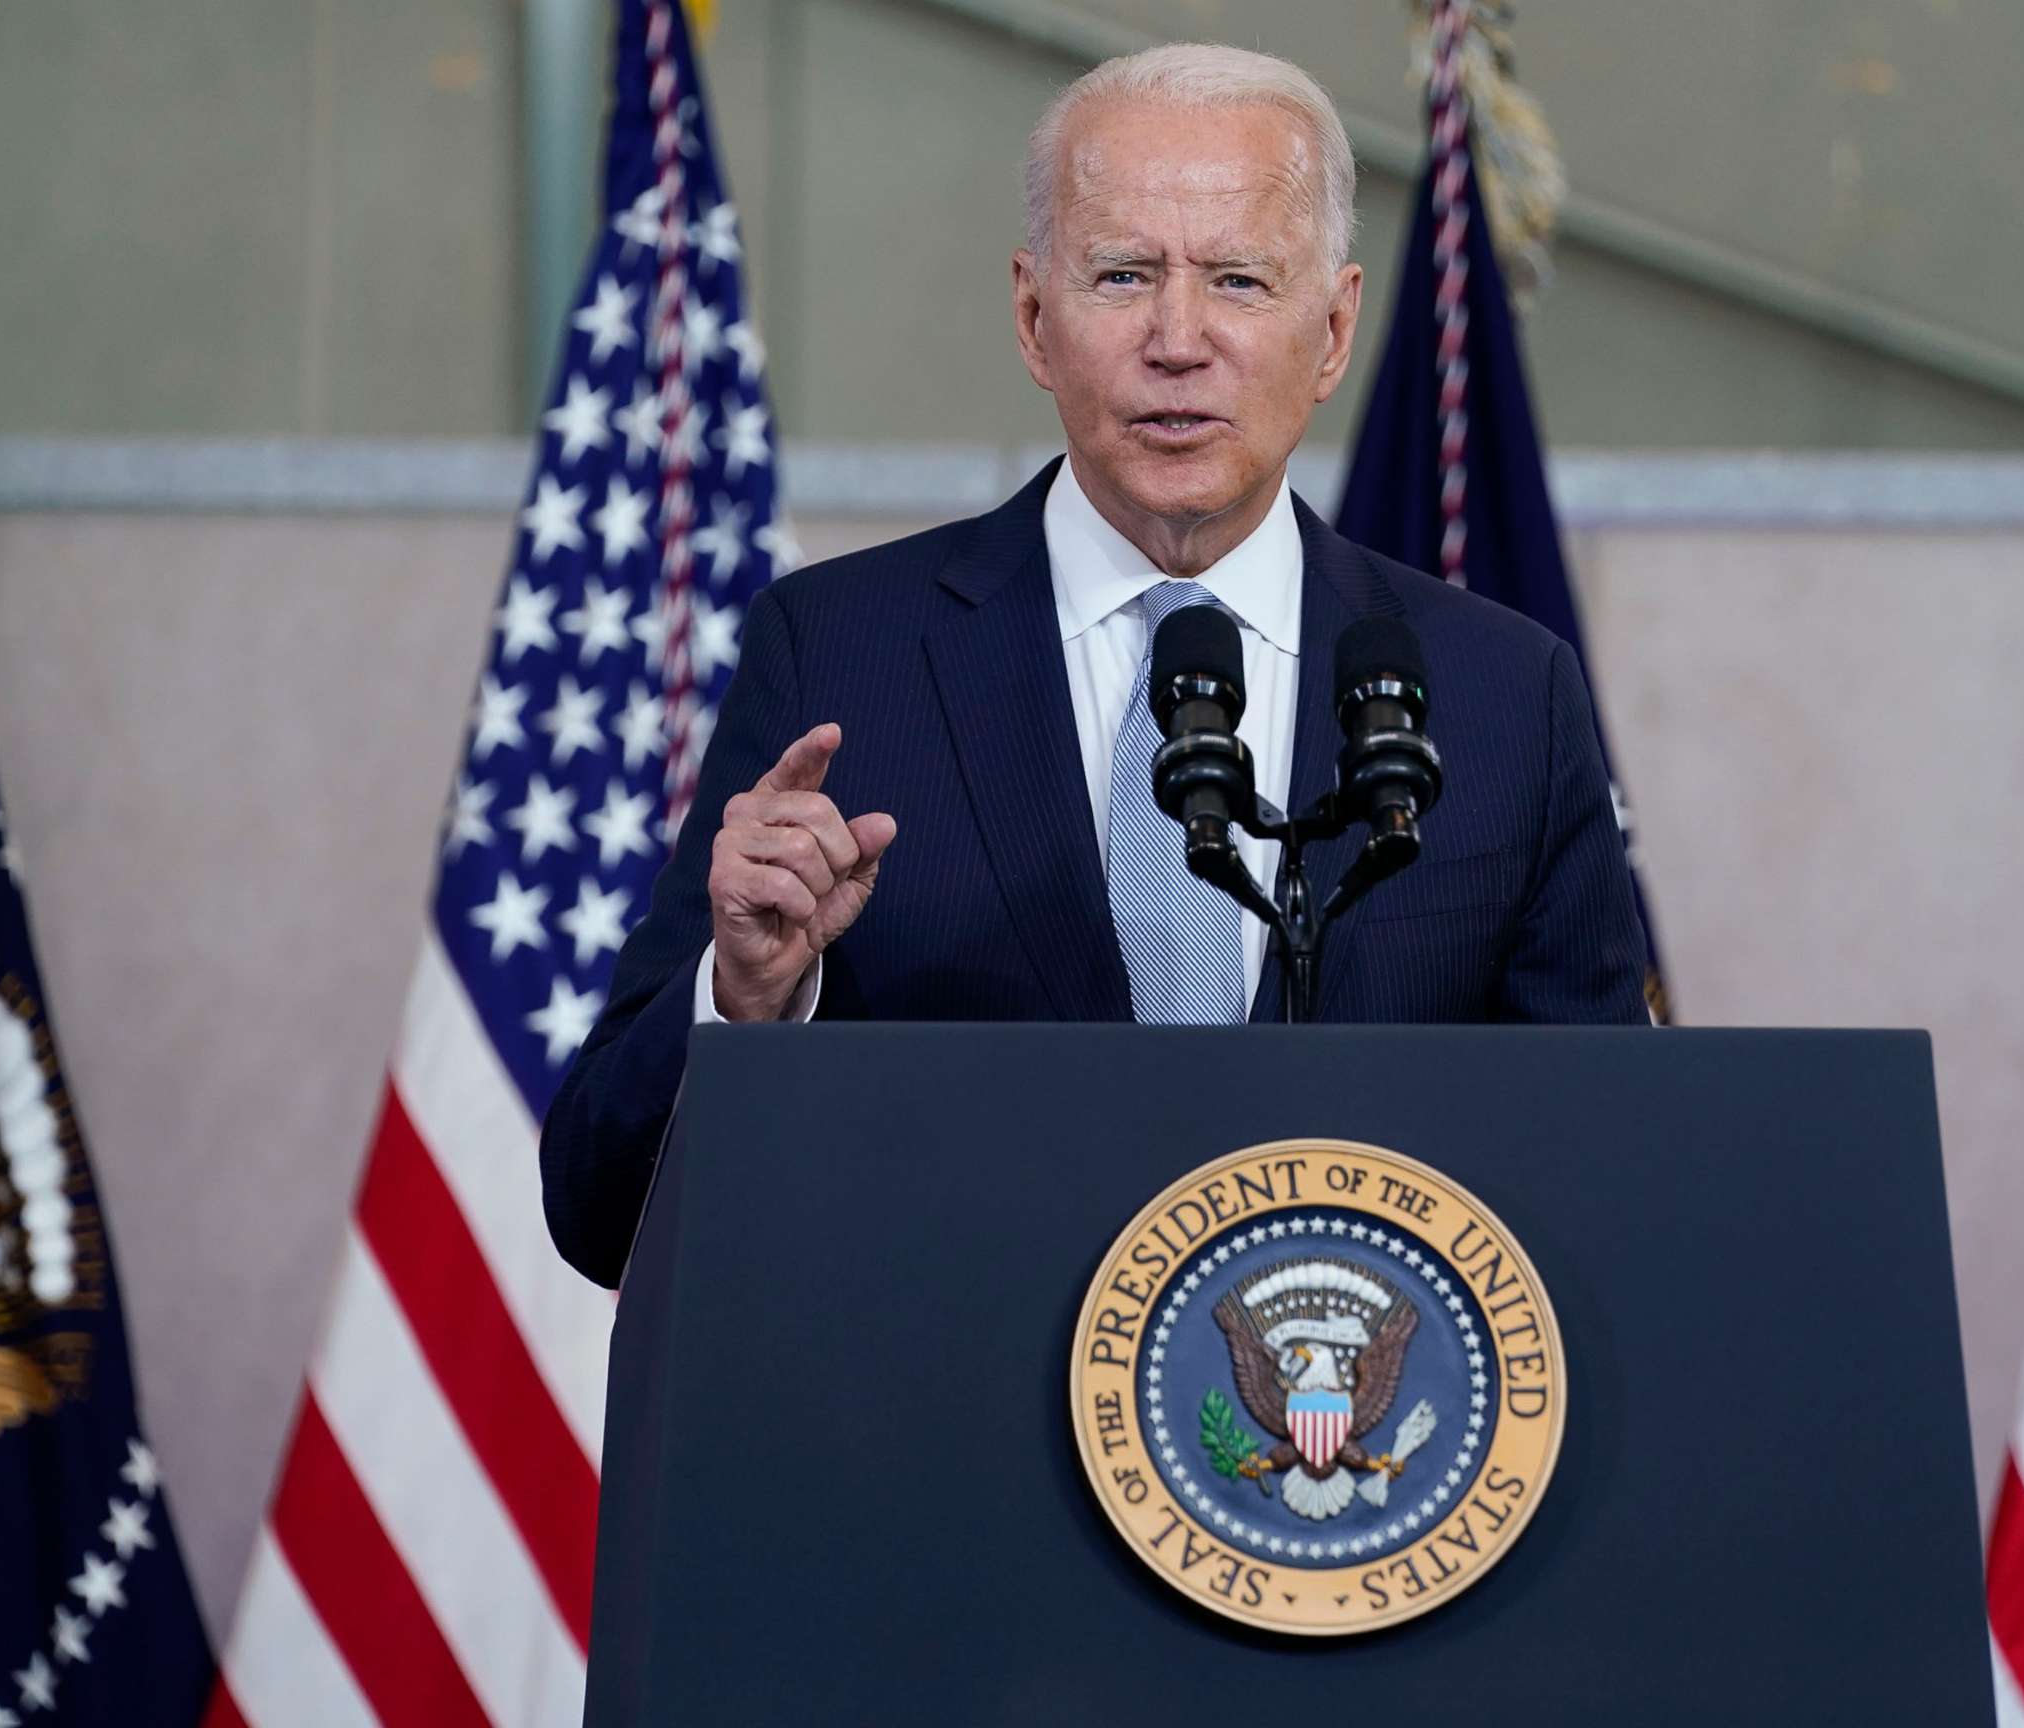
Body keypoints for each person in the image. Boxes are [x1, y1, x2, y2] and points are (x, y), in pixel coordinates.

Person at [539, 43, 1649, 1287]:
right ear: (1034, 319)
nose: (1179, 341)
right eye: (1124, 276)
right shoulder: (840, 657)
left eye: (1238, 279)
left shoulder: (1505, 695)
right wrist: (741, 1000)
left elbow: (1612, 1190)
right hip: (948, 1449)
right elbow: (599, 1205)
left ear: (1332, 331)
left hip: (1345, 1446)